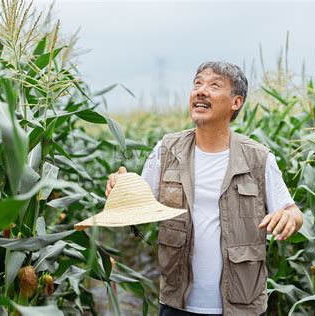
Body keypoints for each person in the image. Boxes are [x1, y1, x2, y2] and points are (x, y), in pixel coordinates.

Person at [105, 61, 303, 316]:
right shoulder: (167, 150)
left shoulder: (258, 158)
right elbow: (137, 205)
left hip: (241, 307)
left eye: (214, 85)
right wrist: (120, 187)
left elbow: (293, 211)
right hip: (177, 304)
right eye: (197, 83)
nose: (201, 90)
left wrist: (289, 217)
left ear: (236, 102)